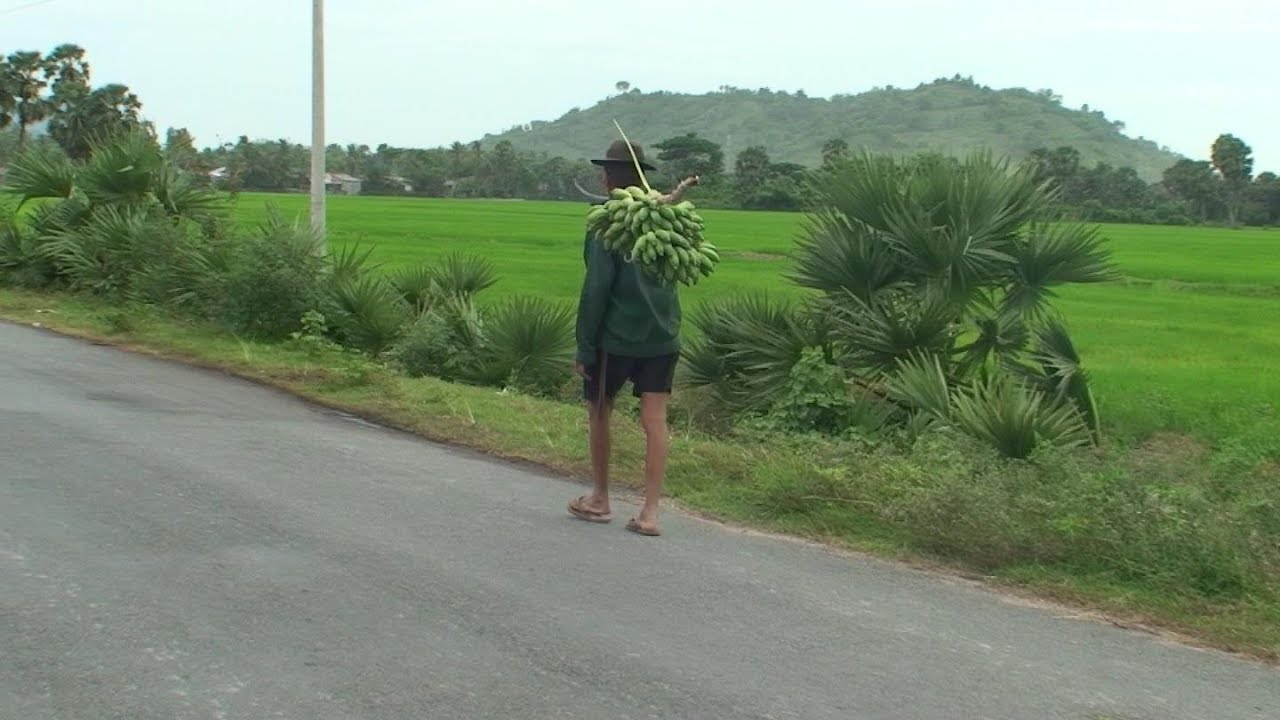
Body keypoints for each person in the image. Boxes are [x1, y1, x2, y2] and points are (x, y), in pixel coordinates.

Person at [567, 139, 698, 537]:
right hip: (663, 335)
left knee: (600, 412)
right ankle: (650, 513)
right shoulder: (668, 218)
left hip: (616, 339)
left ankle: (600, 498)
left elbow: (596, 289)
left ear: (608, 178)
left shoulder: (606, 223)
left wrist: (585, 346)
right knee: (655, 419)